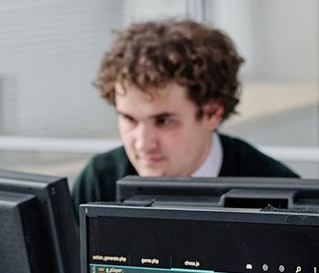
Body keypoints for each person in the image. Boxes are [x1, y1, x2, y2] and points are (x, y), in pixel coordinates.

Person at [71, 18, 296, 212]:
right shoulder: (99, 182)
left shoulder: (279, 196)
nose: (143, 143)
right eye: (129, 119)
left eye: (164, 121)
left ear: (212, 113)